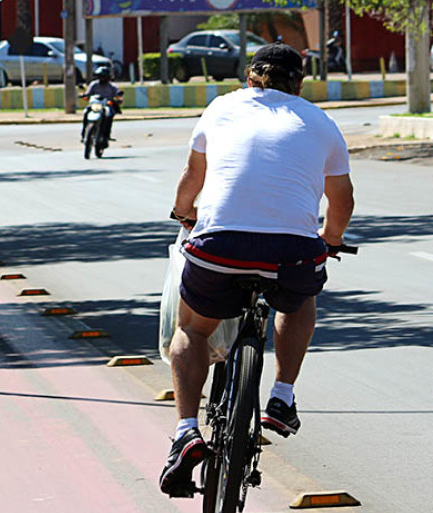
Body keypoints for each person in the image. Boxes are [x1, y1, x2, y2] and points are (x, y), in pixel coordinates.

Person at [159, 43, 355, 495]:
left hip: (219, 247)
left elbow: (194, 178)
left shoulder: (221, 107)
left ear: (250, 78)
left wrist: (182, 213)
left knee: (192, 330)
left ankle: (186, 431)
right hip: (291, 253)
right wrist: (330, 241)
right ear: (299, 83)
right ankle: (281, 397)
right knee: (300, 297)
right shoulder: (321, 122)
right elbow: (341, 202)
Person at [80, 66, 123, 144]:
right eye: (100, 77)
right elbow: (88, 93)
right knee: (86, 113)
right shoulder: (94, 84)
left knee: (109, 116)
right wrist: (84, 95)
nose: (102, 79)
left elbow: (118, 93)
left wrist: (119, 97)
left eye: (104, 77)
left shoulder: (112, 86)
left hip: (106, 106)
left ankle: (106, 135)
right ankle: (84, 135)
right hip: (95, 105)